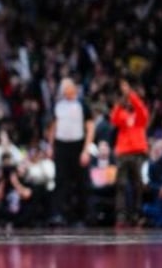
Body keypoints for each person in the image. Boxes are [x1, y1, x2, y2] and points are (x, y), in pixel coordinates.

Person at [47, 77, 94, 226]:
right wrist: (50, 146)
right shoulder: (58, 105)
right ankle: (58, 215)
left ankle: (83, 216)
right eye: (62, 88)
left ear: (73, 88)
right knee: (60, 181)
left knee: (81, 182)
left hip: (78, 145)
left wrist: (86, 150)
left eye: (66, 87)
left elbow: (90, 128)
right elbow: (53, 127)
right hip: (61, 146)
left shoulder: (83, 104)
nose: (63, 90)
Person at [110, 77, 149, 227]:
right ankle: (121, 216)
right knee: (121, 185)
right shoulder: (123, 115)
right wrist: (120, 103)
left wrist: (129, 93)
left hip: (138, 152)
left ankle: (137, 214)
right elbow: (113, 119)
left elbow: (140, 107)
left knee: (138, 185)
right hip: (123, 153)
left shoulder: (141, 115)